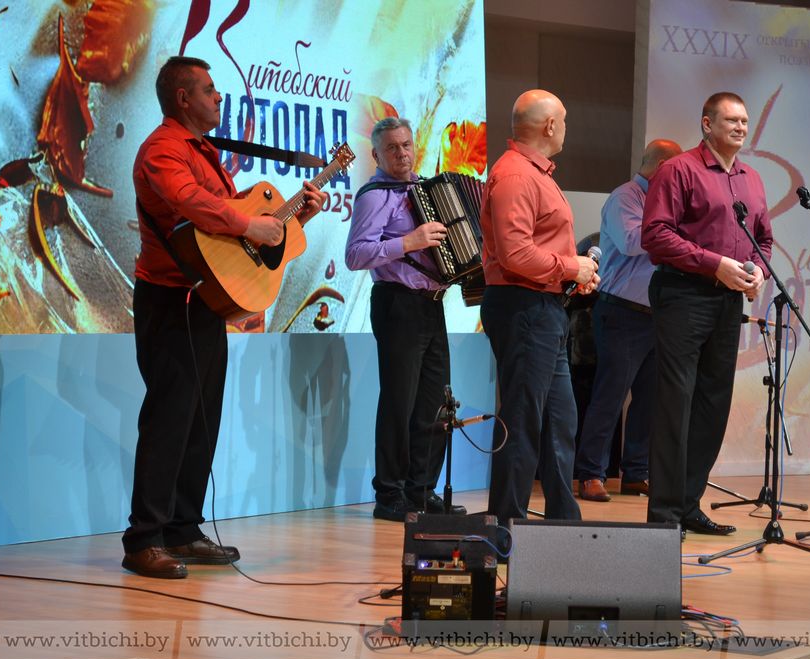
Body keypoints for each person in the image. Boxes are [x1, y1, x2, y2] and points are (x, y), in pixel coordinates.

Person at [123, 56, 325, 578]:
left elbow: (233, 233)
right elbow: (190, 202)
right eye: (209, 89)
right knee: (169, 418)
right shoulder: (163, 149)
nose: (218, 97)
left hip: (205, 301)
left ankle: (183, 530)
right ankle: (143, 539)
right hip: (169, 299)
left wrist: (294, 219)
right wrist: (250, 224)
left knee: (201, 418)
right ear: (183, 98)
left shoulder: (204, 152)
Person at [640, 92, 772, 536]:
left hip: (727, 301)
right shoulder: (679, 170)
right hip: (683, 294)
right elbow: (655, 235)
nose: (740, 127)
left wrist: (758, 271)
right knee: (676, 404)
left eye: (745, 121)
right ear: (706, 124)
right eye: (731, 120)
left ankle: (688, 504)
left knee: (713, 405)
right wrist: (714, 264)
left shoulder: (752, 179)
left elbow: (763, 239)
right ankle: (664, 516)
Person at [479, 89, 600, 526]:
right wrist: (571, 267)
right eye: (563, 121)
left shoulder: (535, 173)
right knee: (524, 419)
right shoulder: (516, 175)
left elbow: (535, 249)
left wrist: (573, 275)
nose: (565, 129)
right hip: (523, 307)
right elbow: (515, 254)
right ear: (550, 126)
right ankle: (506, 525)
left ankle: (563, 523)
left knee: (560, 419)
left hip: (543, 307)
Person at [345, 116, 466, 522]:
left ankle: (421, 490)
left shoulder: (427, 189)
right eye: (392, 147)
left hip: (432, 304)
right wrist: (407, 242)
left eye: (406, 145)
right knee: (399, 403)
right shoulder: (374, 196)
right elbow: (355, 255)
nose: (401, 153)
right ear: (376, 154)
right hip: (397, 303)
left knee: (433, 403)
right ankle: (390, 494)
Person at [575, 139, 683, 503]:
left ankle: (636, 473)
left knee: (651, 400)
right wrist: (676, 232)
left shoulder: (668, 202)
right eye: (677, 170)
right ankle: (591, 472)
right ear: (663, 166)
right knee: (610, 396)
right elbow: (633, 241)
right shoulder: (626, 197)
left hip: (659, 315)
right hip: (622, 312)